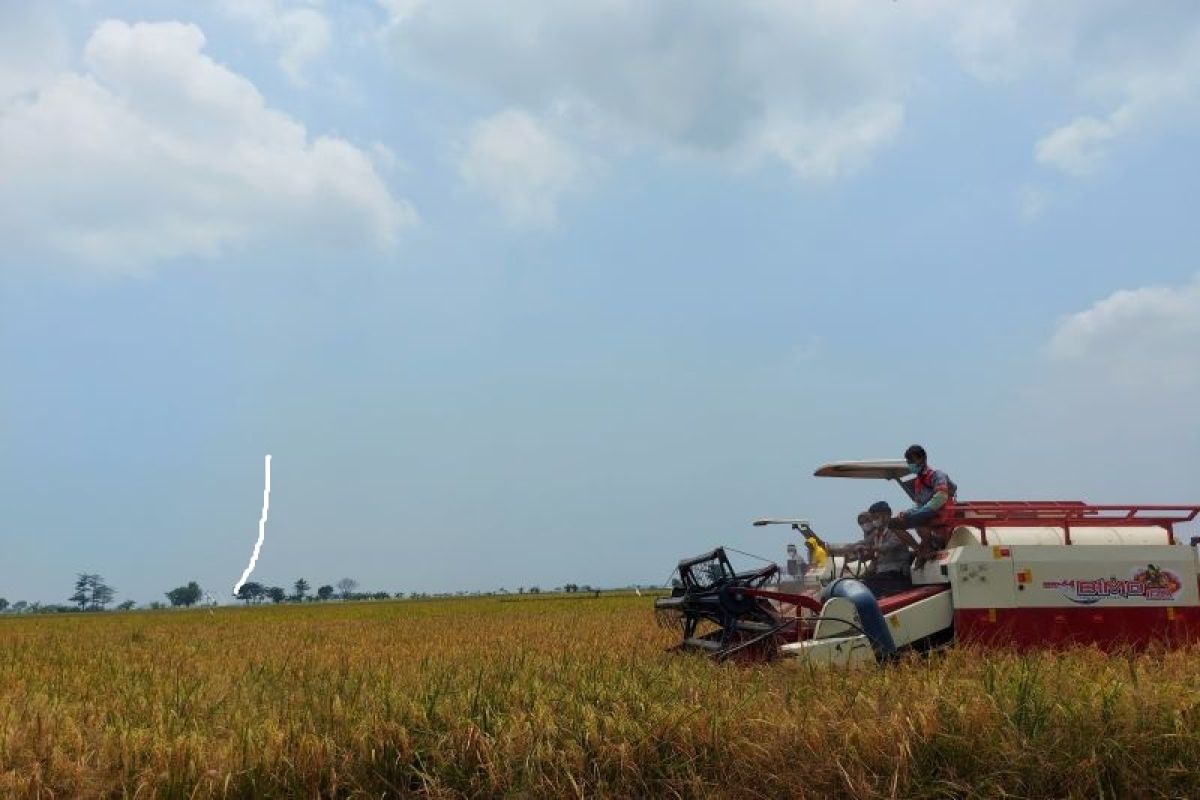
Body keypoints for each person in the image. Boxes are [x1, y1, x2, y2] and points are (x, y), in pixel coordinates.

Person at [892, 444, 957, 562]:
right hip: (928, 513)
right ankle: (918, 549)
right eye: (908, 461)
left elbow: (941, 497)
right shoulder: (918, 481)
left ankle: (928, 548)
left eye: (912, 460)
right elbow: (918, 503)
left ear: (922, 459)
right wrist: (907, 512)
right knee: (894, 524)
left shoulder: (937, 475)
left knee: (918, 519)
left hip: (941, 513)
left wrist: (921, 512)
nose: (910, 464)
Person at [858, 500, 915, 597]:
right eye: (873, 518)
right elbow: (866, 545)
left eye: (876, 517)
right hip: (883, 576)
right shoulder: (877, 534)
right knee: (860, 585)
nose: (874, 521)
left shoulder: (896, 530)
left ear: (887, 515)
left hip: (897, 576)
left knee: (866, 587)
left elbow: (887, 547)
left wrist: (871, 548)